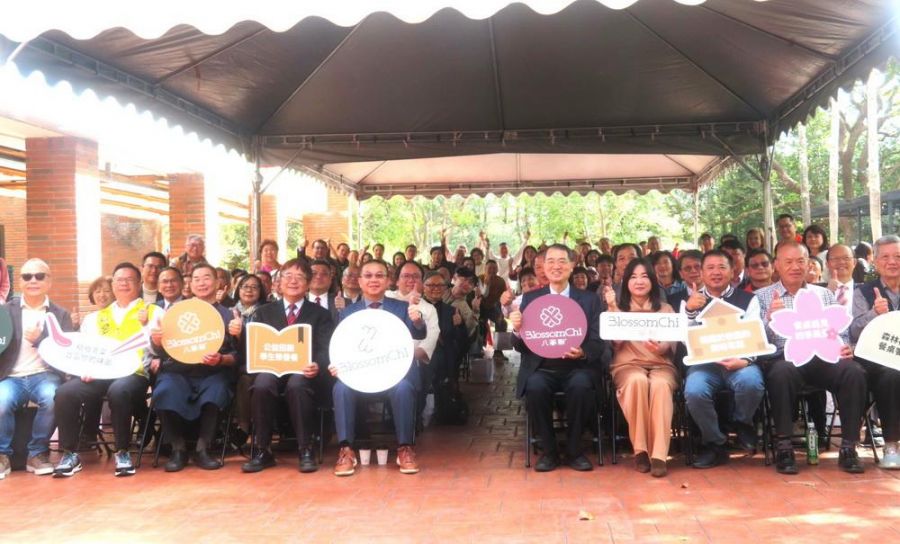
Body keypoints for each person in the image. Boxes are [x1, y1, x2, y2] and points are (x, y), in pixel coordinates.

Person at [756, 241, 866, 474]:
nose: (795, 267)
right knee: (781, 372)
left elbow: (840, 329)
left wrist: (845, 346)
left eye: (800, 261)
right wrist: (768, 318)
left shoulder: (823, 294)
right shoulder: (762, 297)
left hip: (822, 357)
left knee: (853, 371)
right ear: (777, 265)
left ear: (809, 263)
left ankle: (848, 447)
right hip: (784, 358)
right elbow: (756, 341)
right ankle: (784, 446)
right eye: (788, 262)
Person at [54, 262, 162, 477]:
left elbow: (160, 349)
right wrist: (83, 369)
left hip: (134, 373)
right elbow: (86, 350)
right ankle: (70, 453)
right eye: (118, 280)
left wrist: (146, 327)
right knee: (65, 392)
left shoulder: (153, 311)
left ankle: (122, 451)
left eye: (129, 279)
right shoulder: (95, 318)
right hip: (99, 375)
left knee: (119, 391)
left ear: (139, 283)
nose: (123, 284)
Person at [230, 259, 334, 473]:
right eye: (287, 276)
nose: (293, 281)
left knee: (297, 384)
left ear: (307, 283)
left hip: (305, 372)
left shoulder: (321, 314)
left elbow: (326, 349)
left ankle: (306, 448)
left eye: (299, 277)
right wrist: (239, 334)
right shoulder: (264, 312)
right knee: (261, 384)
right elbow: (252, 349)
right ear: (278, 282)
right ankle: (262, 450)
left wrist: (317, 364)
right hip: (271, 369)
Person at [509, 244, 604, 472]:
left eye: (562, 261)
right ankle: (549, 452)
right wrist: (516, 330)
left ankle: (574, 450)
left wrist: (583, 352)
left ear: (572, 266)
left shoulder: (590, 300)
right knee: (535, 386)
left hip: (577, 366)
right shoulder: (530, 299)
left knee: (581, 386)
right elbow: (521, 346)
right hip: (542, 366)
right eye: (550, 261)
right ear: (542, 266)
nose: (556, 266)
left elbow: (598, 340)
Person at [330, 259, 427, 477]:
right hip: (360, 375)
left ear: (388, 280)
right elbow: (341, 347)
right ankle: (346, 450)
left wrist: (417, 320)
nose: (374, 280)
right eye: (368, 275)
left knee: (404, 387)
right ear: (360, 281)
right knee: (340, 388)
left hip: (394, 375)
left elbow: (419, 333)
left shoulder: (402, 308)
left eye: (379, 275)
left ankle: (405, 448)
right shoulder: (347, 313)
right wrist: (335, 363)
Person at [149, 264, 237, 472]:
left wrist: (222, 359)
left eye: (207, 278)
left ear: (218, 283)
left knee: (216, 391)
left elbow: (237, 356)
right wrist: (157, 342)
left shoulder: (229, 315)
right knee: (164, 391)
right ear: (190, 284)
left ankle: (202, 449)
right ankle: (178, 448)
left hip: (212, 371)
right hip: (177, 370)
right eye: (196, 279)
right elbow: (163, 352)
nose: (201, 283)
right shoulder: (177, 313)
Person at [682, 251, 764, 468]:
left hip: (739, 361)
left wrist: (744, 360)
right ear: (701, 272)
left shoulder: (748, 299)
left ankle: (742, 422)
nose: (716, 272)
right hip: (705, 365)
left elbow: (755, 334)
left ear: (733, 271)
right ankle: (715, 442)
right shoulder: (690, 301)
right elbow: (683, 340)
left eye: (722, 267)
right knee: (694, 391)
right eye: (710, 268)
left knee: (752, 383)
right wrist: (690, 311)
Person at [0, 259, 73, 478]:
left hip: (44, 375)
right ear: (19, 281)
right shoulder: (5, 311)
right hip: (11, 377)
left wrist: (40, 339)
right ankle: (2, 455)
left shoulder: (61, 314)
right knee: (0, 402)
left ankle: (37, 452)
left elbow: (66, 352)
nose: (33, 280)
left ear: (49, 281)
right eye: (27, 276)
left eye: (39, 276)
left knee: (52, 398)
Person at [605, 258, 677, 477]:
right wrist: (612, 308)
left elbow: (671, 343)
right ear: (626, 282)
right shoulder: (618, 308)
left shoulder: (665, 309)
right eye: (633, 277)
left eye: (644, 276)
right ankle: (641, 450)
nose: (639, 281)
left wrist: (661, 346)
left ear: (653, 281)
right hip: (628, 365)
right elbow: (615, 343)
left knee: (660, 386)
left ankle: (659, 454)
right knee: (637, 381)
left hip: (660, 364)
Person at [850, 235, 900, 469]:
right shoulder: (863, 292)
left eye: (898, 256)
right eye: (886, 257)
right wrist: (873, 313)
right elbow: (853, 331)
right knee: (891, 373)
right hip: (876, 358)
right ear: (876, 262)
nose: (893, 262)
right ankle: (891, 445)